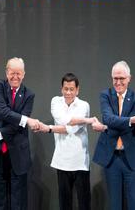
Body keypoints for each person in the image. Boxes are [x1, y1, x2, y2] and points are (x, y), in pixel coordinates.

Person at [0, 57, 40, 210]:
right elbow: (2, 112)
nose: (15, 76)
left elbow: (17, 127)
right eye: (12, 73)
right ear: (6, 72)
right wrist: (26, 120)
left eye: (18, 73)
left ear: (24, 74)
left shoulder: (29, 95)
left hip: (18, 152)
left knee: (18, 200)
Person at [92, 61, 135, 210]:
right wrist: (131, 120)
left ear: (129, 78)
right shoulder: (105, 95)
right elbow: (108, 119)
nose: (118, 82)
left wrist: (106, 127)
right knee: (114, 203)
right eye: (115, 78)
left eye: (121, 78)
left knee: (134, 202)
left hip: (131, 155)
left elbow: (127, 129)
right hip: (112, 157)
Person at [37, 73, 95, 210]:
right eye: (65, 89)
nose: (68, 92)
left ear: (77, 90)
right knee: (64, 203)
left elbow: (73, 129)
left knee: (84, 203)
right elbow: (65, 122)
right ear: (61, 89)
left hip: (80, 162)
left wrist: (50, 128)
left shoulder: (84, 105)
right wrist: (87, 120)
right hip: (62, 161)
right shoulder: (55, 101)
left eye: (71, 89)